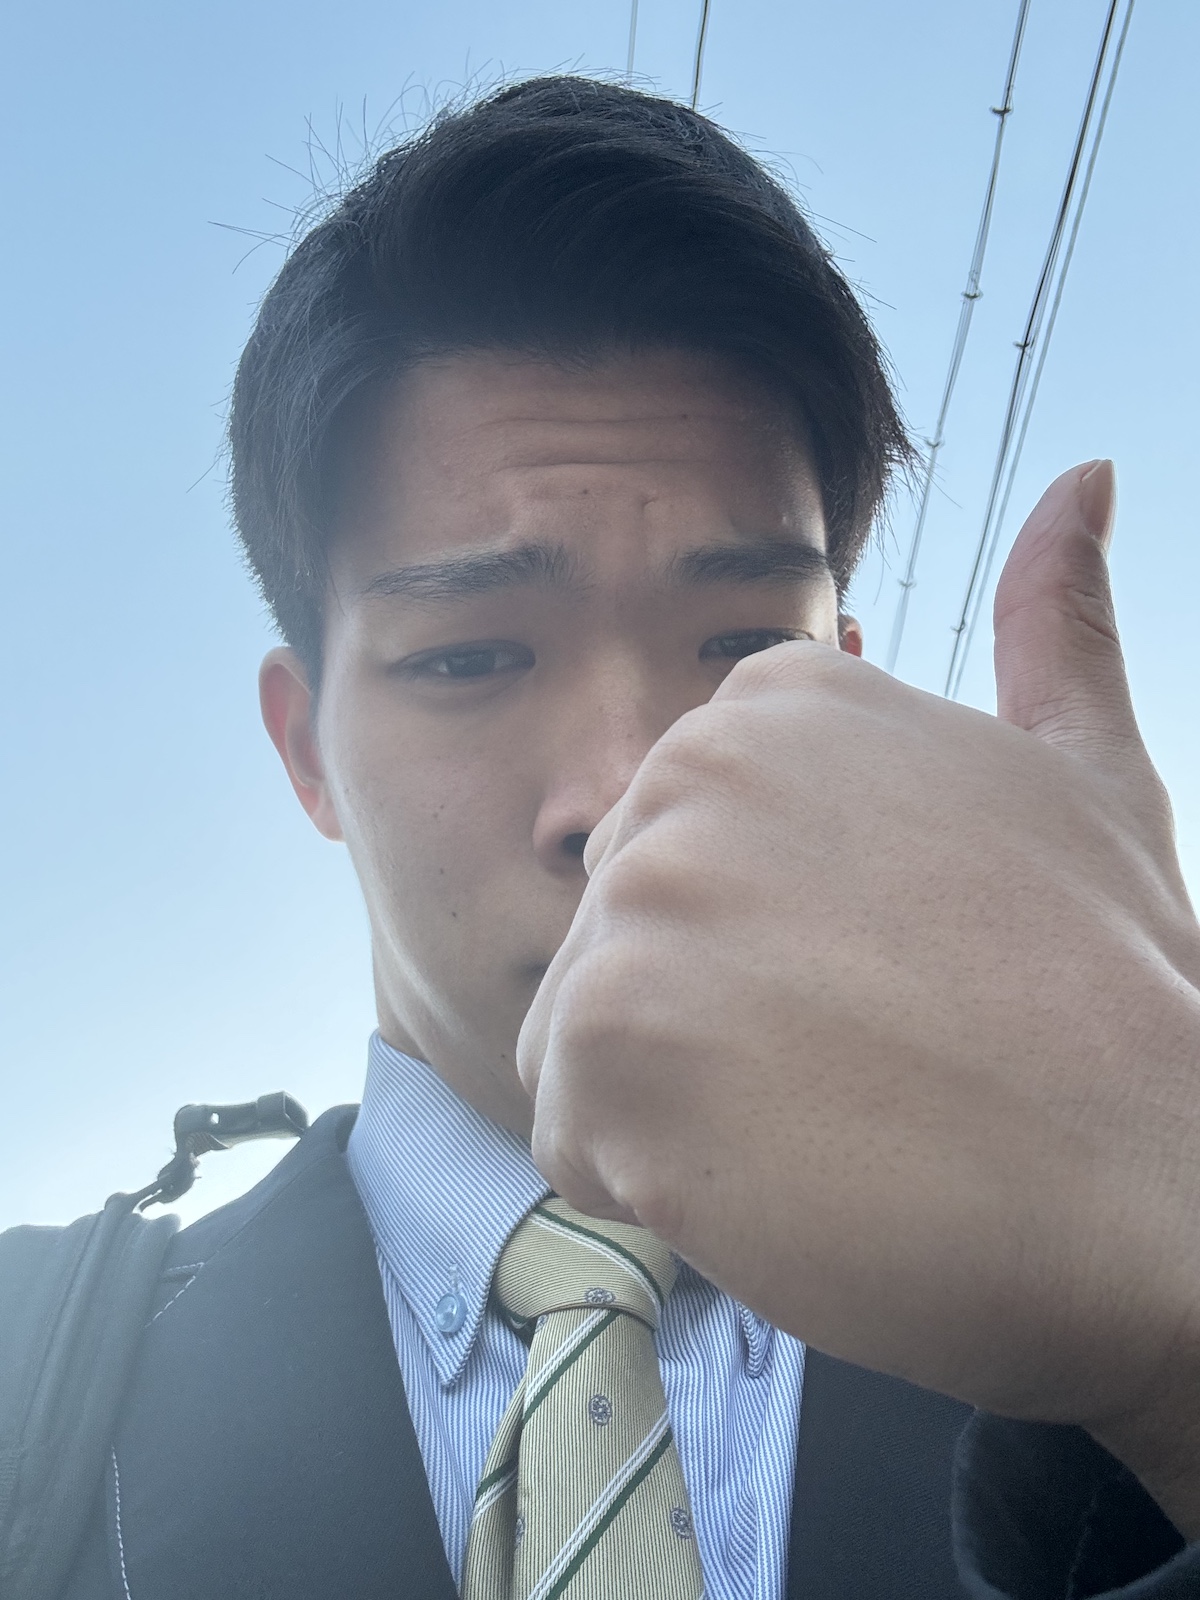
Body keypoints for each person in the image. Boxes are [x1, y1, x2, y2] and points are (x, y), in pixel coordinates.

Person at [11, 75, 1199, 1599]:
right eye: (470, 658)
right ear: (307, 751)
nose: (629, 790)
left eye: (741, 647)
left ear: (853, 693)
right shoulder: (32, 1377)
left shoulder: (1106, 1328)